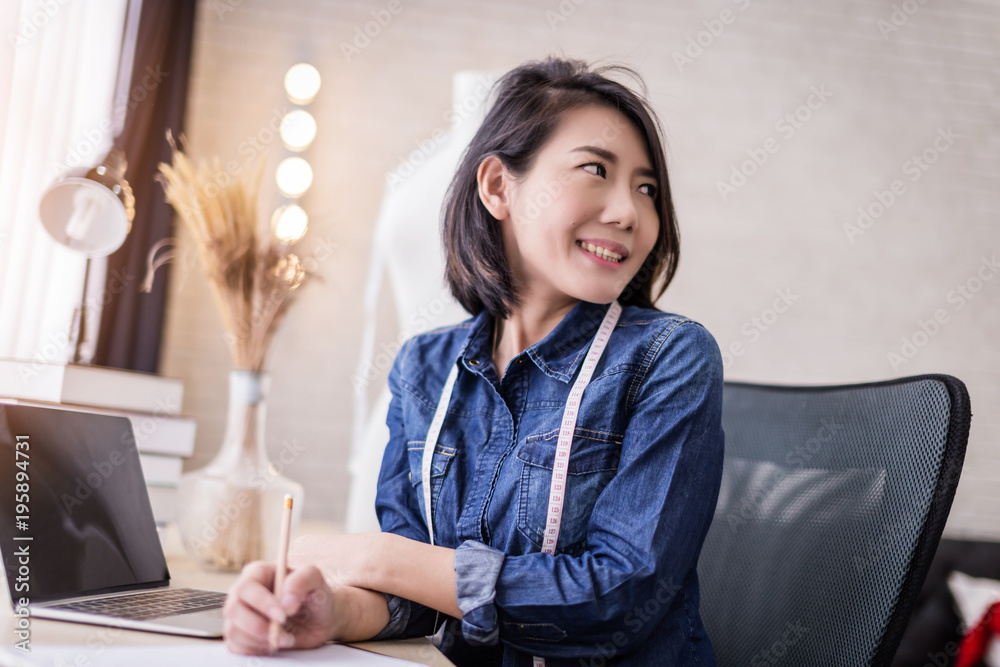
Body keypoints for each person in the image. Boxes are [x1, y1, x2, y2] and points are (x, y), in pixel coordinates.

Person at [222, 56, 725, 666]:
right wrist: (327, 610)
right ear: (497, 187)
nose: (629, 212)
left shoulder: (669, 356)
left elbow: (615, 602)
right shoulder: (424, 367)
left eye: (647, 189)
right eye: (596, 169)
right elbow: (416, 598)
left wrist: (371, 557)